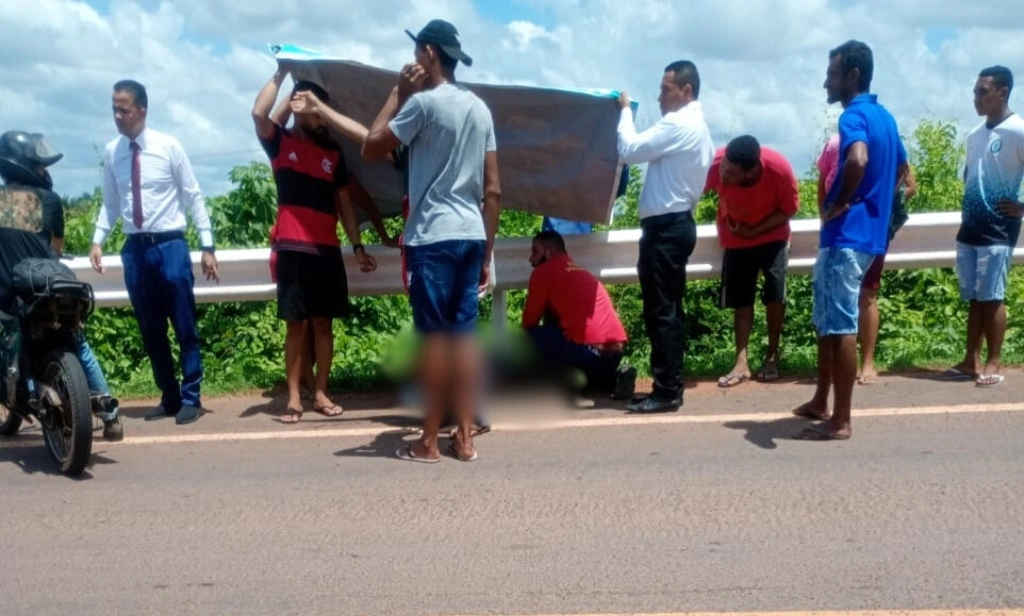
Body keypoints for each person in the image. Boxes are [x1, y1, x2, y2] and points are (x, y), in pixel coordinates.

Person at [362, 18, 501, 463]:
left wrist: (395, 92)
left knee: (435, 344)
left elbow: (371, 145)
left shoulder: (422, 106)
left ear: (428, 55)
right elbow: (494, 190)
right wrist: (487, 254)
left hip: (432, 237)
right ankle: (464, 438)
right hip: (470, 235)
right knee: (462, 340)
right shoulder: (479, 109)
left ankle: (427, 443)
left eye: (417, 51)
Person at [793, 40, 909, 441]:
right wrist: (876, 208)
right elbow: (902, 171)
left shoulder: (854, 117)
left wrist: (841, 202)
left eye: (832, 73)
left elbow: (857, 158)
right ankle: (821, 400)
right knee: (828, 319)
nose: (827, 81)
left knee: (840, 324)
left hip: (846, 235)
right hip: (868, 235)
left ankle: (840, 419)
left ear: (852, 76)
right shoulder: (886, 117)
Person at [89, 79, 220, 426]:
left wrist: (207, 245)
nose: (118, 116)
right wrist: (98, 239)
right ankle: (170, 395)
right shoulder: (112, 152)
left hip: (171, 245)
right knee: (150, 328)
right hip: (135, 249)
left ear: (142, 110)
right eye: (114, 109)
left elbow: (193, 195)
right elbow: (111, 203)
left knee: (184, 323)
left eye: (124, 109)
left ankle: (192, 396)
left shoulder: (168, 146)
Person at [252, 70, 378, 423]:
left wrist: (357, 246)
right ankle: (294, 398)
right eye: (314, 108)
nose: (321, 116)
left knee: (323, 324)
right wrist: (280, 74)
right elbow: (259, 115)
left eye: (323, 109)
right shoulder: (280, 142)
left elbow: (345, 204)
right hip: (292, 249)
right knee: (296, 324)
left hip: (327, 250)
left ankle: (321, 392)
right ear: (297, 107)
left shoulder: (333, 153)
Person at [0, 131, 123, 441]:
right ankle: (110, 412)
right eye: (41, 166)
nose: (45, 172)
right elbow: (55, 249)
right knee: (77, 342)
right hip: (49, 286)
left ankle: (21, 387)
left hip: (12, 292)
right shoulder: (51, 201)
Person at [616, 60, 715, 413]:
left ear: (686, 91)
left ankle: (667, 389)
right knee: (669, 309)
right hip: (675, 225)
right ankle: (668, 385)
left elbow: (629, 150)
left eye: (665, 90)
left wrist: (625, 112)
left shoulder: (679, 123)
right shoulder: (698, 128)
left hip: (666, 228)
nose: (660, 98)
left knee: (662, 311)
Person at [943, 66, 1024, 387]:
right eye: (975, 91)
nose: (976, 98)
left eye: (983, 91)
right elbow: (969, 175)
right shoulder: (975, 135)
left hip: (999, 229)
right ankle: (970, 359)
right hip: (971, 227)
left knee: (992, 297)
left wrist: (1021, 207)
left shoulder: (1018, 131)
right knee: (975, 297)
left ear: (1002, 92)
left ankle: (994, 361)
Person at [817, 133, 917, 384]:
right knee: (834, 299)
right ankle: (834, 372)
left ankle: (868, 362)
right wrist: (825, 219)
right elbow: (822, 184)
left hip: (872, 231)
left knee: (866, 294)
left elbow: (909, 185)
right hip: (838, 232)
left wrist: (881, 206)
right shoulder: (833, 145)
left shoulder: (883, 143)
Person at [703, 135, 800, 387]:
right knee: (741, 299)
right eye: (723, 167)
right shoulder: (717, 163)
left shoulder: (779, 169)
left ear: (751, 171)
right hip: (736, 235)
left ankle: (772, 356)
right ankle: (741, 362)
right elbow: (689, 189)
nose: (723, 175)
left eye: (731, 173)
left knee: (775, 292)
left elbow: (788, 210)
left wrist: (754, 232)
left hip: (772, 232)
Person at [521, 230, 635, 400]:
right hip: (613, 356)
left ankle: (549, 382)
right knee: (559, 332)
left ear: (548, 252)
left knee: (529, 337)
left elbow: (528, 323)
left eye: (535, 252)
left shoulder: (543, 272)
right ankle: (612, 378)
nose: (531, 259)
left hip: (586, 356)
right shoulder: (577, 269)